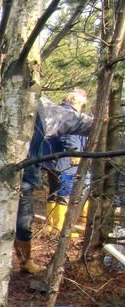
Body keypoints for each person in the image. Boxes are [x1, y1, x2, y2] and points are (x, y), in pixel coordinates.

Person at [0, 94, 92, 273]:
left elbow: (78, 122)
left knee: (23, 223)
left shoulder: (44, 109)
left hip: (26, 177)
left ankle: (25, 262)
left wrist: (106, 123)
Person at [43, 88, 92, 232]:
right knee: (64, 193)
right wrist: (75, 153)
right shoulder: (68, 115)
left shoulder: (57, 112)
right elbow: (68, 136)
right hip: (66, 161)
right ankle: (59, 227)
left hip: (52, 160)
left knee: (54, 191)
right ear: (76, 101)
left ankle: (50, 226)